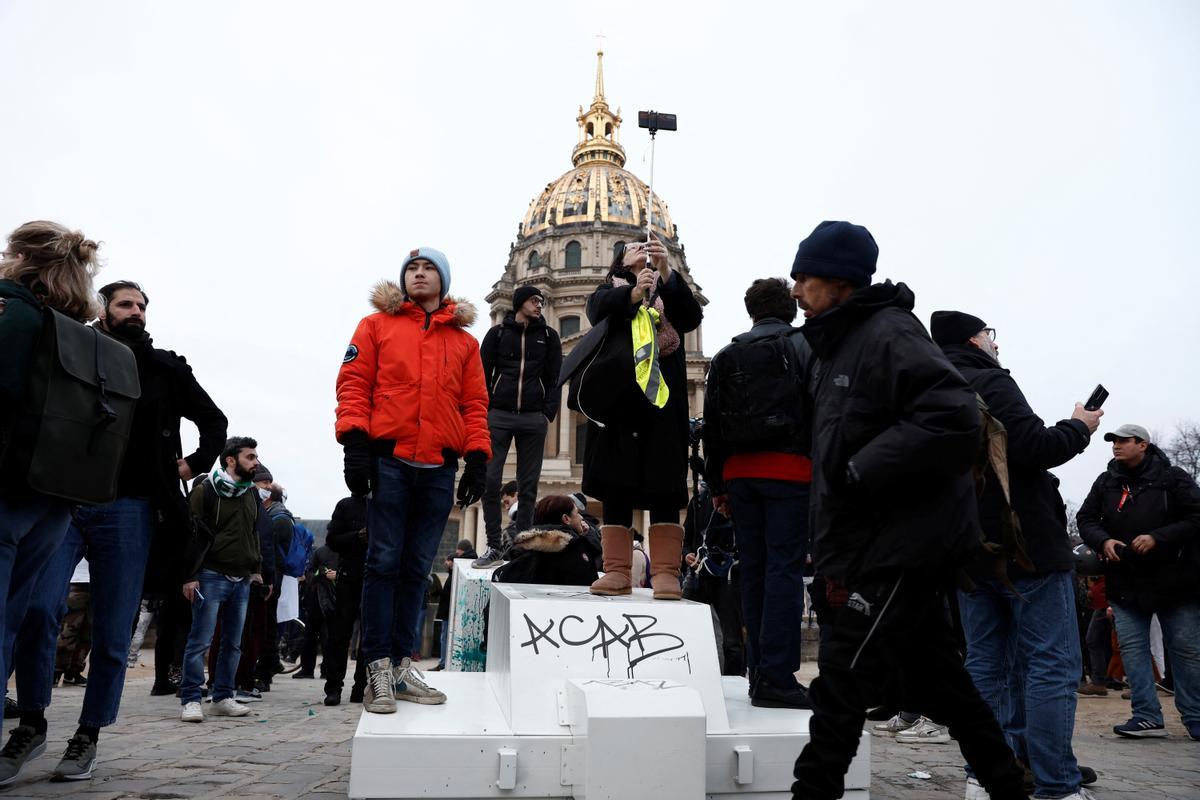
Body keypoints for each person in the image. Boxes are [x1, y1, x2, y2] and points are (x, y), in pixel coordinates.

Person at [786, 221, 1027, 800]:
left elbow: (952, 417)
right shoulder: (838, 343)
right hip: (876, 542)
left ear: (838, 280)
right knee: (948, 687)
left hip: (898, 544)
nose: (795, 290)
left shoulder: (889, 332)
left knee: (840, 687)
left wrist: (861, 469)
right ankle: (1009, 788)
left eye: (804, 277)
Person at [932, 310, 1102, 799]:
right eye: (989, 333)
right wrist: (1079, 425)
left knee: (985, 665)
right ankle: (1057, 786)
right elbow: (1034, 446)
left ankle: (982, 779)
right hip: (1025, 546)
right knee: (1051, 665)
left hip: (966, 548)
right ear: (973, 338)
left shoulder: (927, 389)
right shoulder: (988, 379)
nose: (993, 341)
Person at [336, 247, 490, 714]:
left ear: (443, 282)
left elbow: (474, 405)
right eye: (412, 269)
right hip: (390, 460)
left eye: (428, 270)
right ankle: (377, 670)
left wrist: (477, 458)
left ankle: (403, 667)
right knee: (382, 565)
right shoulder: (375, 327)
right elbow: (353, 384)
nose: (419, 275)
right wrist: (355, 445)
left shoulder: (464, 343)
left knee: (416, 569)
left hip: (439, 467)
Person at [0, 222, 107, 786]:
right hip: (56, 495)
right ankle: (32, 721)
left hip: (11, 487)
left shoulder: (12, 313)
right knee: (24, 616)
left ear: (19, 258)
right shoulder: (73, 330)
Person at [704, 277, 812, 709]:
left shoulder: (729, 354)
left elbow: (712, 425)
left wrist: (717, 485)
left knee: (753, 572)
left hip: (740, 475)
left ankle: (756, 674)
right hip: (791, 472)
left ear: (751, 311)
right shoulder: (805, 347)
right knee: (784, 573)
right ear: (789, 309)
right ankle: (778, 678)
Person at [583, 237, 703, 600]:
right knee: (615, 489)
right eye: (633, 248)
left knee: (665, 486)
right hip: (618, 406)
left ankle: (666, 572)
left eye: (647, 248)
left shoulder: (669, 295)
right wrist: (635, 292)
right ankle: (617, 571)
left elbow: (691, 316)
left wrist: (665, 273)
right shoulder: (609, 293)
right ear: (619, 260)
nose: (642, 252)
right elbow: (597, 310)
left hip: (662, 404)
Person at [1077, 424, 1200, 741]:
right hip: (1125, 581)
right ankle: (1146, 717)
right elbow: (1086, 519)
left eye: (1123, 441)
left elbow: (1196, 516)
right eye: (1113, 441)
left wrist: (1159, 538)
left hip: (1175, 581)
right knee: (1132, 649)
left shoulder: (1173, 478)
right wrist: (1103, 540)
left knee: (1185, 649)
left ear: (1143, 444)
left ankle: (1196, 716)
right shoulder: (1106, 481)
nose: (1116, 446)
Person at [178, 437, 267, 723]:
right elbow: (190, 534)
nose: (256, 462)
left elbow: (254, 532)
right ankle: (191, 698)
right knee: (200, 641)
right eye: (250, 457)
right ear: (231, 459)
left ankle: (223, 696)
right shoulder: (205, 490)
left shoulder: (251, 493)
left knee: (233, 642)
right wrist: (189, 575)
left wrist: (256, 568)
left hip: (241, 577)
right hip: (211, 574)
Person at [476, 285, 562, 567]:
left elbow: (554, 379)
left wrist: (546, 414)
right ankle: (493, 545)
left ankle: (523, 544)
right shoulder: (497, 334)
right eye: (535, 300)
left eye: (542, 300)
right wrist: (486, 409)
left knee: (528, 485)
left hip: (532, 418)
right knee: (489, 480)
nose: (540, 305)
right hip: (499, 415)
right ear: (520, 303)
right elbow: (481, 374)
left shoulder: (549, 337)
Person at [492, 496, 600, 586]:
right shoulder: (577, 552)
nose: (581, 517)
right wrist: (587, 540)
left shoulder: (523, 552)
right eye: (577, 513)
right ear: (566, 519)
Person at [322, 495, 368, 705]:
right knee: (340, 633)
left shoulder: (386, 501)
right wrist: (357, 536)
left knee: (369, 635)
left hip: (375, 576)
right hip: (349, 574)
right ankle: (334, 687)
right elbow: (332, 540)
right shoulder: (346, 505)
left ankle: (361, 686)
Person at [294, 541, 338, 680]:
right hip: (318, 599)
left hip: (326, 599)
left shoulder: (322, 551)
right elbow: (310, 572)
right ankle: (312, 669)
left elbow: (309, 572)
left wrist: (336, 575)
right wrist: (323, 575)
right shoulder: (322, 552)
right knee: (313, 637)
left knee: (324, 637)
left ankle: (318, 669)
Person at [432, 539, 477, 672]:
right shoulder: (463, 566)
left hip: (451, 610)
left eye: (458, 552)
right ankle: (445, 662)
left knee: (445, 637)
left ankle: (444, 663)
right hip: (454, 610)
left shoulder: (461, 566)